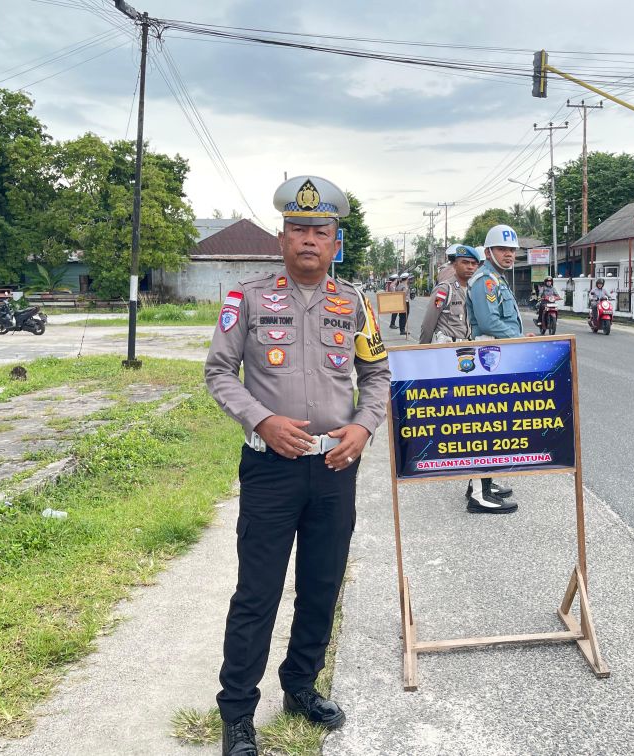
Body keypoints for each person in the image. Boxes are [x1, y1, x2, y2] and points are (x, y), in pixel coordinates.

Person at [205, 175, 390, 756]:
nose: (309, 239)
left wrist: (362, 427)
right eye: (298, 229)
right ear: (281, 238)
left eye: (321, 231)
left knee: (320, 586)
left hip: (335, 468)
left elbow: (377, 377)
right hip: (270, 470)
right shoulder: (249, 299)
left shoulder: (355, 303)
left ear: (337, 242)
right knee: (257, 592)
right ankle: (237, 711)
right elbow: (217, 373)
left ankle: (300, 687)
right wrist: (261, 419)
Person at [463, 224, 522, 514]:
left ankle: (484, 483)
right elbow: (489, 324)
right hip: (489, 360)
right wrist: (520, 339)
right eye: (502, 249)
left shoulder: (496, 279)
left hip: (498, 357)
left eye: (512, 250)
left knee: (493, 425)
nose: (509, 254)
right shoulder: (485, 281)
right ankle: (478, 494)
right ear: (488, 252)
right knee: (486, 426)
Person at [419, 244, 481, 344]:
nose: (470, 267)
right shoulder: (444, 290)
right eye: (465, 262)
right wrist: (423, 349)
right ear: (455, 265)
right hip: (446, 348)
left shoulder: (473, 290)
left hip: (465, 347)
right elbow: (428, 323)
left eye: (474, 263)